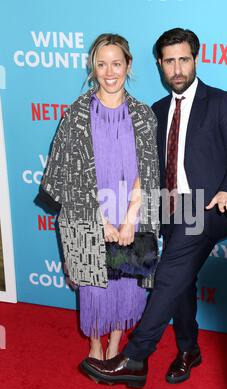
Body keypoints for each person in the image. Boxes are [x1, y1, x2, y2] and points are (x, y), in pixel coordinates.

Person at [80, 28, 227, 387]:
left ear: (196, 59)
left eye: (184, 59)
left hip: (208, 206)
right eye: (169, 61)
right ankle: (189, 349)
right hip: (168, 210)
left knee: (168, 273)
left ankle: (135, 357)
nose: (177, 68)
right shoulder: (156, 111)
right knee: (180, 279)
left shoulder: (222, 102)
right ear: (160, 64)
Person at [40, 33, 160, 361]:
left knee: (126, 281)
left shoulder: (143, 115)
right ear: (93, 68)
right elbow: (67, 172)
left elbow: (148, 173)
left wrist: (130, 220)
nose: (110, 72)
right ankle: (94, 343)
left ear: (128, 66)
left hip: (130, 210)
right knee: (94, 284)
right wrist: (100, 220)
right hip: (87, 212)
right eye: (102, 64)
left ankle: (115, 342)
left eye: (116, 64)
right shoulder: (77, 114)